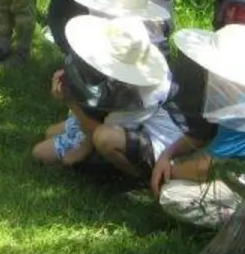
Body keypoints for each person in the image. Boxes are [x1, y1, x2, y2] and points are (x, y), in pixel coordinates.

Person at [151, 23, 245, 229]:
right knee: (183, 164)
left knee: (172, 195)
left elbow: (206, 168)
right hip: (233, 167)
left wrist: (167, 172)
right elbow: (200, 137)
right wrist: (167, 155)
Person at [33, 15, 183, 177]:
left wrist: (71, 103)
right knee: (50, 132)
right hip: (119, 123)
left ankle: (140, 176)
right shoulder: (133, 67)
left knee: (99, 140)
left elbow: (98, 131)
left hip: (157, 145)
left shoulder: (144, 96)